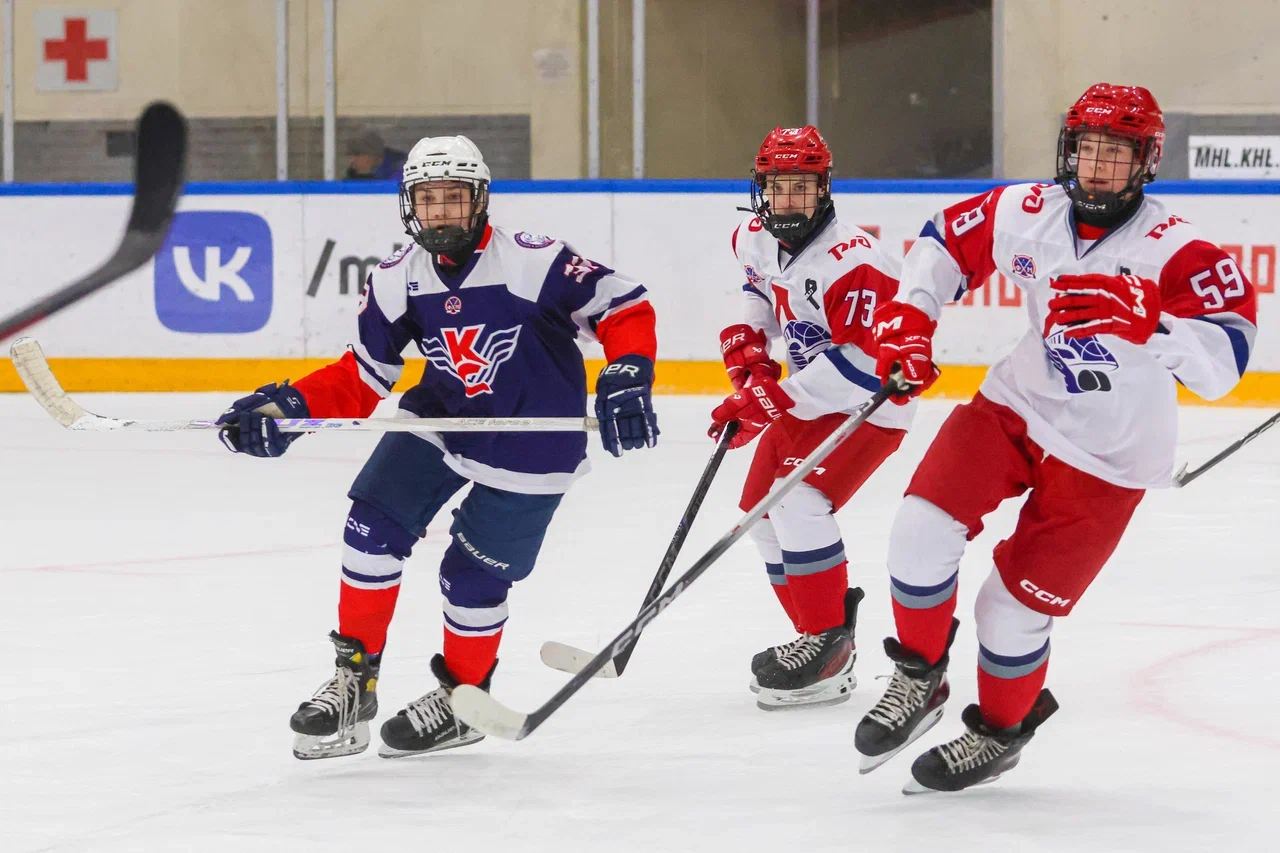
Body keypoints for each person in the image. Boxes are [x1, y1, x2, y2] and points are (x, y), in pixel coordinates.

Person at [853, 83, 1257, 793]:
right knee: (918, 528)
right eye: (1088, 148)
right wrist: (911, 318)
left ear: (1147, 161)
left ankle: (1000, 732)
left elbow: (1224, 367)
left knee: (1007, 613)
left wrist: (1152, 324)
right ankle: (919, 674)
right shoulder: (1029, 211)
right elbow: (943, 241)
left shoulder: (1178, 250)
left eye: (1117, 152)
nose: (1098, 166)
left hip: (1111, 453)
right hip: (1019, 403)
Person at [216, 135, 659, 760]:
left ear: (479, 202)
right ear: (409, 205)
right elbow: (363, 375)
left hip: (533, 442)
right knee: (371, 526)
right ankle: (354, 682)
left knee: (470, 577)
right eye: (429, 199)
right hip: (443, 418)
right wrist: (289, 408)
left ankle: (462, 702)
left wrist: (628, 370)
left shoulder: (532, 262)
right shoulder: (398, 278)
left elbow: (624, 305)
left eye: (455, 199)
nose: (442, 212)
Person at [707, 126, 913, 711]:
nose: (788, 200)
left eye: (802, 187)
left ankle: (826, 646)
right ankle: (822, 639)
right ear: (761, 189)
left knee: (797, 500)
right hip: (808, 394)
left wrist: (770, 400)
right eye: (778, 187)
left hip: (872, 403)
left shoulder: (857, 262)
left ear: (824, 189)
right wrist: (748, 341)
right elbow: (757, 291)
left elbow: (866, 364)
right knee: (759, 517)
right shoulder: (754, 235)